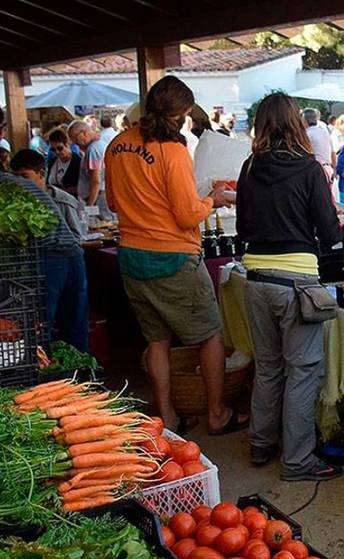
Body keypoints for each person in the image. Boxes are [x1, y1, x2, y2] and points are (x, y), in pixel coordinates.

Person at [104, 75, 245, 436]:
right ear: (181, 114)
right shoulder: (173, 150)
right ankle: (216, 413)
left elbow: (113, 203)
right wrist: (213, 199)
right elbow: (186, 214)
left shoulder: (117, 146)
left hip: (132, 256)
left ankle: (167, 416)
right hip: (174, 257)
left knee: (157, 341)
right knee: (210, 334)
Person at [235, 92, 344, 481]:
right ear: (297, 123)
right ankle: (297, 460)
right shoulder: (309, 168)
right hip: (297, 282)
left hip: (255, 280)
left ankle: (261, 443)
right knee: (303, 370)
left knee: (267, 366)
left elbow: (243, 228)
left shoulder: (249, 167)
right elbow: (330, 231)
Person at [8, 148, 89, 352]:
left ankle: (81, 371)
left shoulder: (62, 199)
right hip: (51, 261)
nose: (21, 183)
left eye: (25, 177)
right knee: (50, 320)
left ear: (41, 173)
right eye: (17, 177)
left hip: (63, 259)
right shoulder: (19, 199)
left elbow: (77, 236)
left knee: (67, 320)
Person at [67, 120, 113, 221]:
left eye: (75, 138)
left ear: (83, 133)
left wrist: (89, 207)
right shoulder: (101, 143)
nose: (75, 143)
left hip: (98, 198)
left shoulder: (93, 149)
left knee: (101, 226)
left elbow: (95, 181)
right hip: (100, 196)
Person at [45, 128, 80, 196]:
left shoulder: (78, 162)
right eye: (53, 149)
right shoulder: (52, 162)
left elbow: (81, 188)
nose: (57, 152)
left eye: (60, 148)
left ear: (67, 144)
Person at [302, 108, 336, 173]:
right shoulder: (325, 132)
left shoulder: (307, 134)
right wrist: (334, 169)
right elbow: (333, 152)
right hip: (328, 168)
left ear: (304, 120)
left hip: (315, 169)